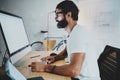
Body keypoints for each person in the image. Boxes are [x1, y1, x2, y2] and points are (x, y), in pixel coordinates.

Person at [29, 0, 101, 80]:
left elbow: (74, 71)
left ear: (68, 15)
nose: (55, 18)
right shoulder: (73, 33)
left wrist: (45, 67)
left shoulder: (78, 34)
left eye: (57, 14)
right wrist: (55, 58)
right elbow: (65, 52)